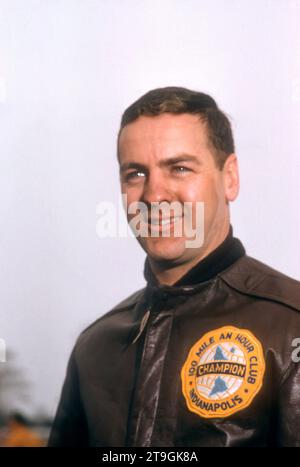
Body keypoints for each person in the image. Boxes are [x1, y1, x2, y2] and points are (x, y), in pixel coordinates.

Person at [48, 87, 300, 447]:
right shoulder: (95, 347)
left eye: (179, 168)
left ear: (230, 177)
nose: (153, 195)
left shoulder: (291, 325)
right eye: (135, 173)